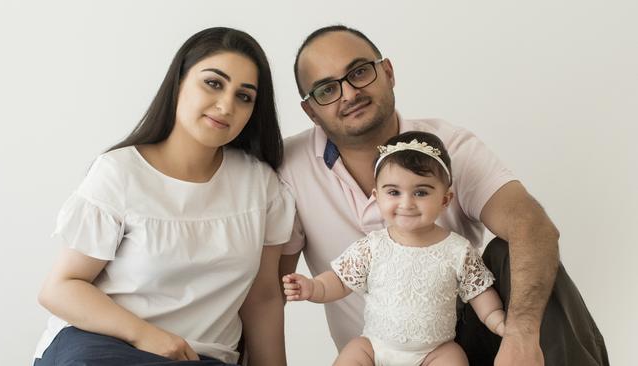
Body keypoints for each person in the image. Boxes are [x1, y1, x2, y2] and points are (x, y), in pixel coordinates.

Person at [278, 25, 608, 365]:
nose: (348, 94)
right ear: (311, 110)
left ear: (388, 72)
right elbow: (272, 290)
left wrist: (519, 334)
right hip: (371, 353)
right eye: (326, 89)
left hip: (454, 349)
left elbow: (533, 226)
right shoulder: (290, 168)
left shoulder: (448, 148)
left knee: (516, 250)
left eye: (359, 72)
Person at [34, 27, 294, 366]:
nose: (226, 105)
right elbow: (60, 288)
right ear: (179, 83)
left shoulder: (261, 185)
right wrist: (147, 336)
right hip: (104, 346)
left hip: (202, 357)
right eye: (213, 83)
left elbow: (263, 299)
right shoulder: (120, 172)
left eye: (244, 96)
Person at [284, 132, 506, 366]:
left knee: (455, 358)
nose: (406, 203)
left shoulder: (458, 250)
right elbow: (340, 281)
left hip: (435, 350)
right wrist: (313, 287)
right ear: (377, 197)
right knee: (351, 354)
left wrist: (495, 319)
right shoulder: (373, 246)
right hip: (375, 346)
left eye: (421, 192)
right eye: (393, 192)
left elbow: (479, 291)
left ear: (444, 200)